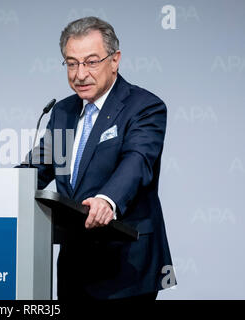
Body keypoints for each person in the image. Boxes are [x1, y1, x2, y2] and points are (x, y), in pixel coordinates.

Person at [19, 16, 176, 300]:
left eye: (91, 62)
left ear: (114, 60)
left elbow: (137, 161)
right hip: (74, 265)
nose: (80, 74)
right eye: (71, 63)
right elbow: (38, 167)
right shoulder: (63, 112)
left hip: (127, 265)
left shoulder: (145, 106)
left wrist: (107, 199)